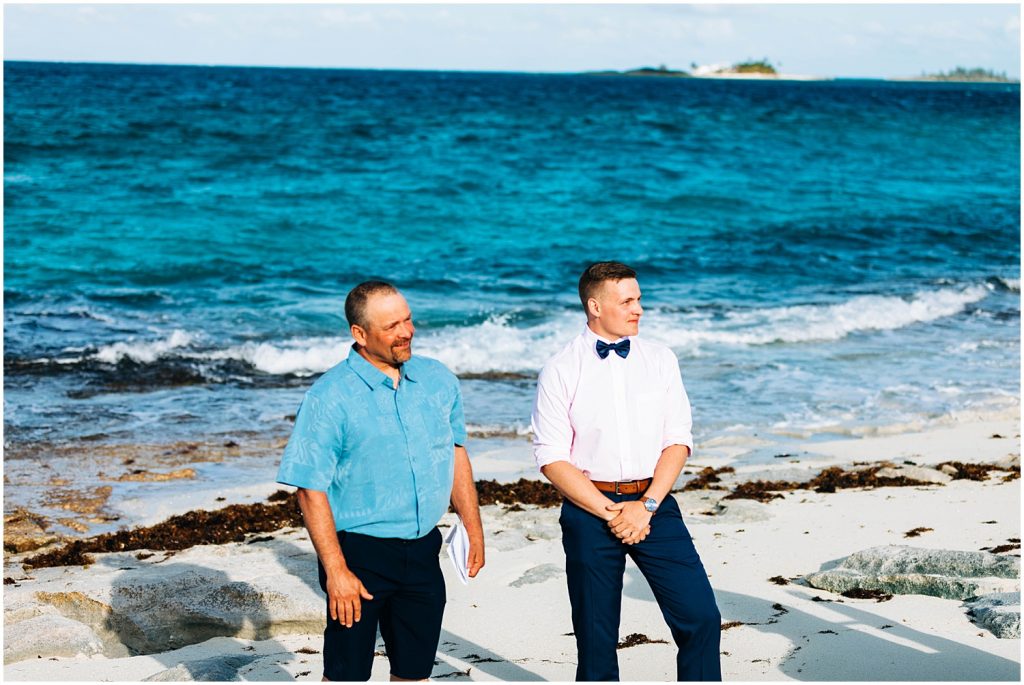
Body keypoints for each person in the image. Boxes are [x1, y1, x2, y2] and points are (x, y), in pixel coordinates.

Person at [276, 280, 485, 682]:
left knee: (414, 671)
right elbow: (309, 489)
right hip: (359, 555)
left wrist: (472, 525)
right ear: (359, 334)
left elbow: (456, 452)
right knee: (347, 675)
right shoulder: (329, 397)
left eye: (408, 320)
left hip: (425, 550)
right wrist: (336, 570)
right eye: (391, 326)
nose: (406, 332)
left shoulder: (438, 380)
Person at [531, 261, 721, 681]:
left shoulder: (660, 359)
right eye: (628, 301)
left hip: (655, 503)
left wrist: (646, 506)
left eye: (639, 299)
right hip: (588, 510)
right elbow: (551, 457)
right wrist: (611, 512)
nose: (639, 309)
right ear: (595, 306)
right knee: (596, 640)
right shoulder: (561, 369)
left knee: (702, 618)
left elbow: (678, 439)